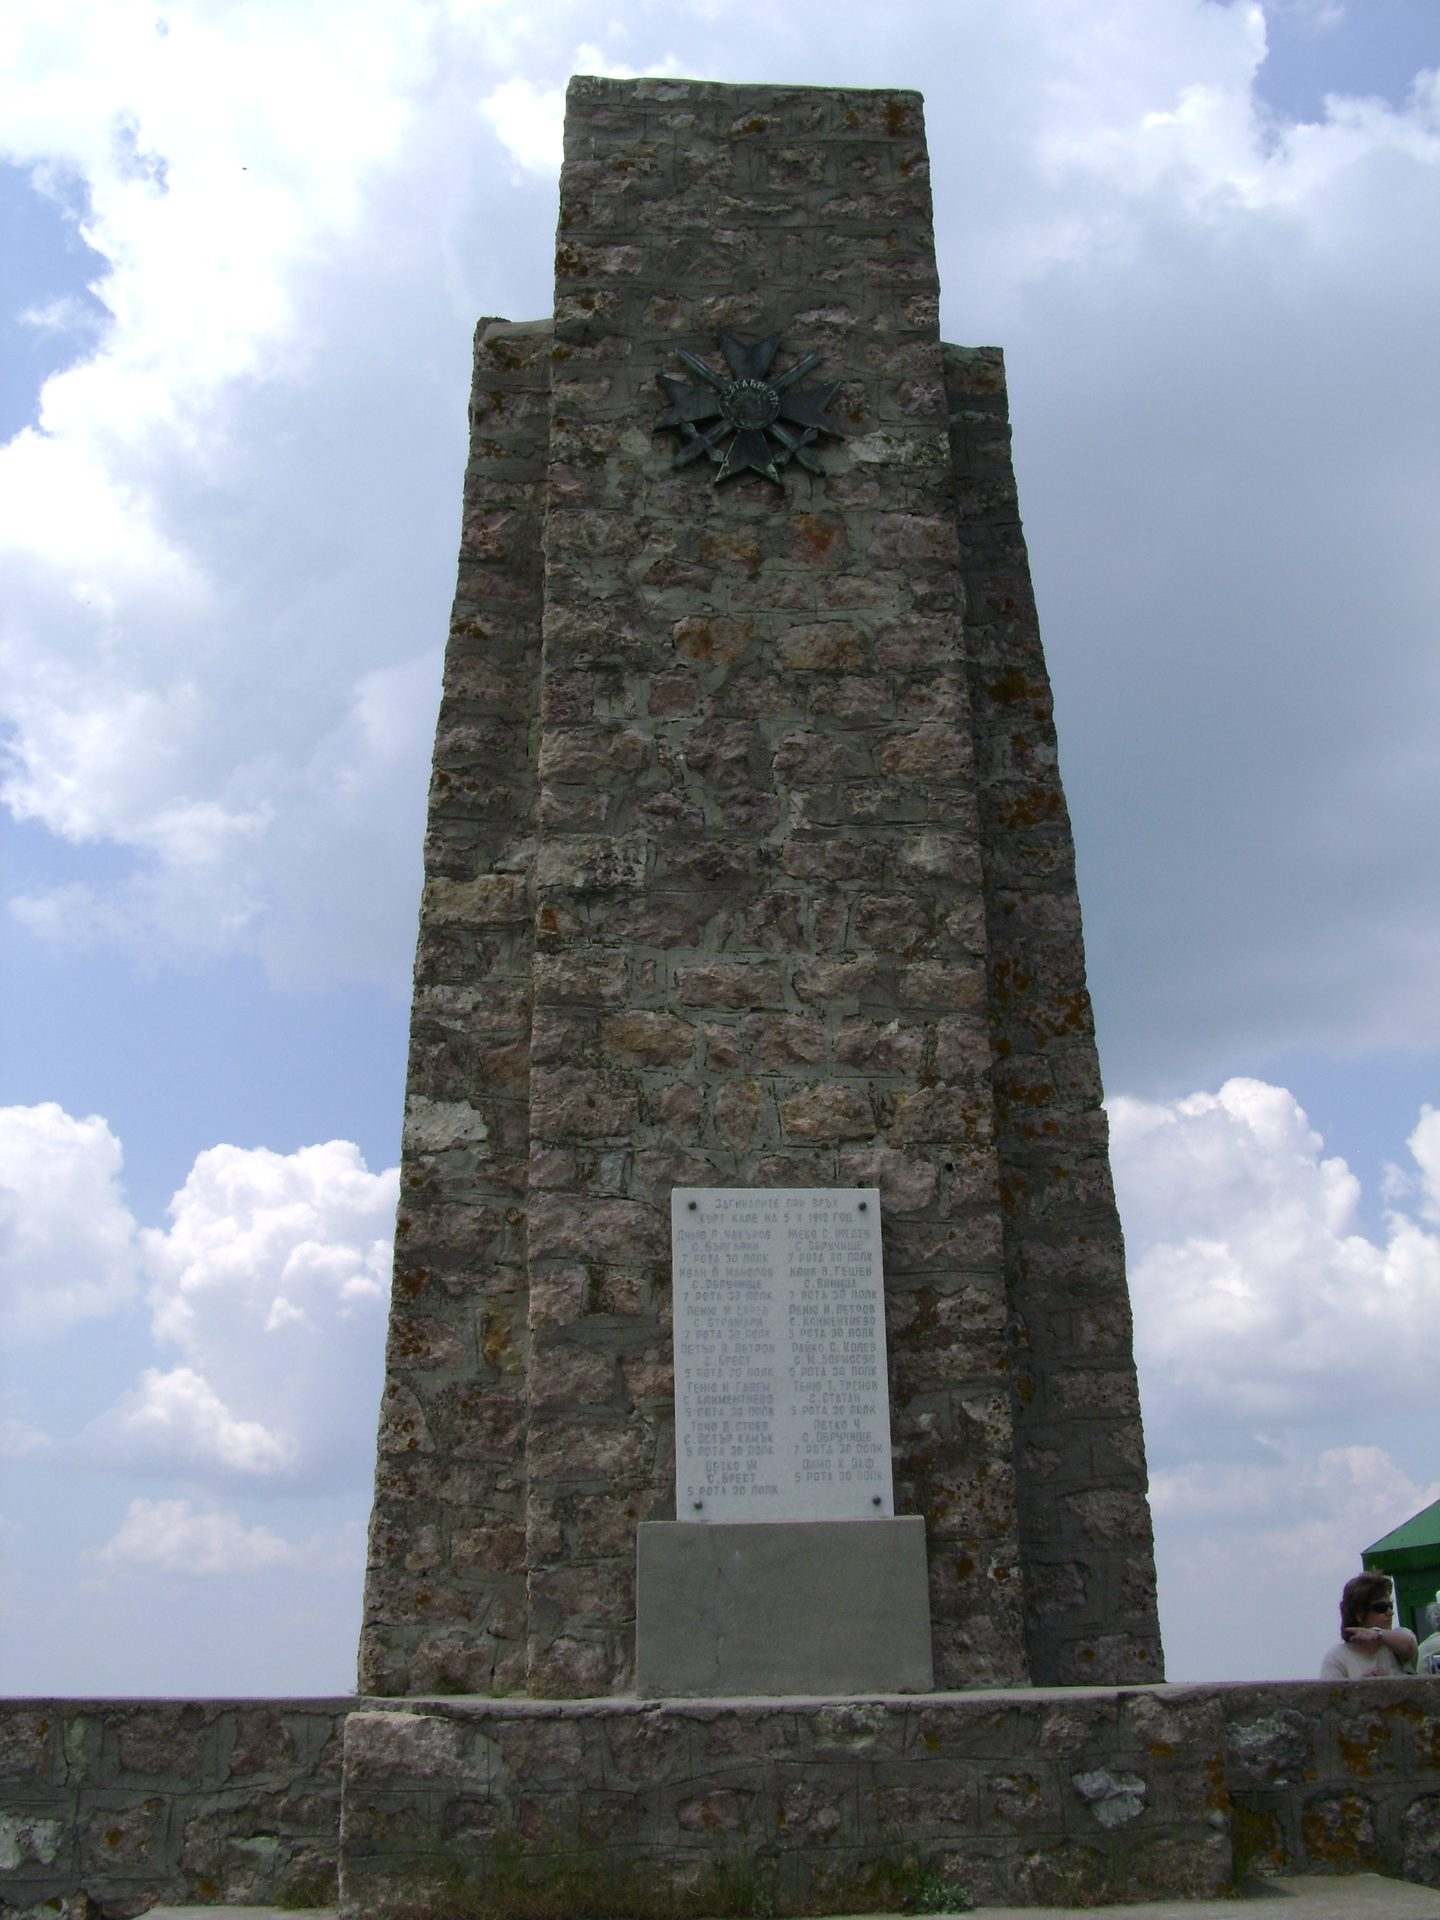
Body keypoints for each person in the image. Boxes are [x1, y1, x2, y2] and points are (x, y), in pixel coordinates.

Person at [1320, 1572, 1418, 1678]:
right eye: (1381, 1607)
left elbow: (1409, 1646)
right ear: (1359, 1614)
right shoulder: (1336, 1658)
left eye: (1390, 1606)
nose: (1390, 1612)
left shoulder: (1396, 1641)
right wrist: (1364, 1684)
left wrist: (1377, 1634)